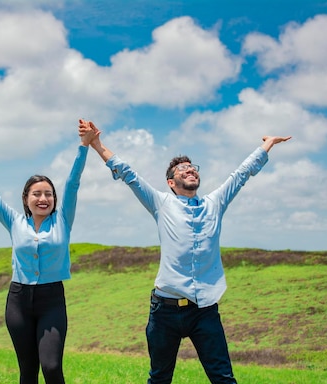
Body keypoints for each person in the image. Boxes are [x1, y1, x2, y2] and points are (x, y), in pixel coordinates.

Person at [79, 120, 291, 384]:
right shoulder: (161, 202)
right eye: (182, 169)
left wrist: (267, 145)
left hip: (204, 310)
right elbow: (127, 173)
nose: (190, 170)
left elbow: (241, 174)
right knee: (159, 378)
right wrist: (97, 144)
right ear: (171, 181)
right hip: (165, 310)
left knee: (224, 378)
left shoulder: (215, 203)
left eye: (192, 168)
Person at [0, 120, 94, 384]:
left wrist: (84, 146)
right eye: (36, 194)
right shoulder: (14, 221)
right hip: (19, 301)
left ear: (55, 199)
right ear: (26, 198)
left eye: (48, 194)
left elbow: (73, 183)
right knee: (27, 372)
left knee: (52, 366)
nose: (43, 199)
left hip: (51, 300)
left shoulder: (63, 219)